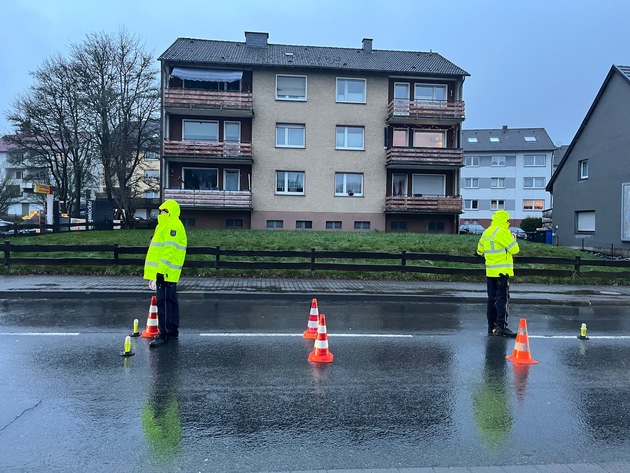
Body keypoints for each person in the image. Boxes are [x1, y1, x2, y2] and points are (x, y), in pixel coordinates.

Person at [144, 199, 187, 347]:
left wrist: (160, 271)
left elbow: (169, 251)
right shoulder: (165, 225)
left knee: (165, 304)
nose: (160, 213)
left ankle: (164, 334)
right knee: (171, 302)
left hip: (166, 272)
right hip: (168, 272)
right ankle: (172, 331)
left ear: (169, 212)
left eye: (163, 210)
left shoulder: (171, 225)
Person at [476, 210, 520, 338]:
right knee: (502, 299)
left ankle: (491, 326)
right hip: (502, 272)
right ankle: (501, 327)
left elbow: (479, 250)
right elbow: (515, 249)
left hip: (490, 271)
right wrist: (513, 239)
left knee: (491, 299)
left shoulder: (487, 232)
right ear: (505, 220)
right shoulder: (503, 232)